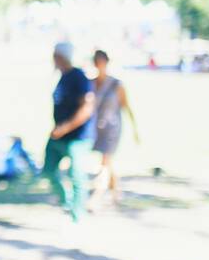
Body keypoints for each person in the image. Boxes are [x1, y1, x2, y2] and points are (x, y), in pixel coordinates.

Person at [44, 42, 95, 222]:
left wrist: (66, 127)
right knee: (48, 170)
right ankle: (66, 200)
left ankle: (78, 213)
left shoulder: (78, 77)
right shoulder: (63, 77)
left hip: (77, 137)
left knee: (77, 175)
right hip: (59, 135)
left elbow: (87, 108)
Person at [90, 49, 140, 210]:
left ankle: (96, 197)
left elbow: (127, 107)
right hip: (98, 128)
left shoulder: (117, 85)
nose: (99, 66)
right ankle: (116, 193)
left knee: (104, 162)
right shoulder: (91, 83)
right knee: (108, 162)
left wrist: (135, 130)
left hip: (113, 129)